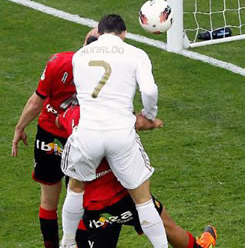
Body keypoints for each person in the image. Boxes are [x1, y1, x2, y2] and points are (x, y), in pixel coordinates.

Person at [60, 14, 168, 247]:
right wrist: (148, 116)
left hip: (88, 132)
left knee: (75, 189)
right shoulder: (137, 54)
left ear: (98, 32)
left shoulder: (79, 56)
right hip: (121, 133)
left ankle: (67, 242)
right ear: (124, 33)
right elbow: (149, 91)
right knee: (143, 200)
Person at [57, 105, 217, 248]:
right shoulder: (118, 114)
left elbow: (58, 121)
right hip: (125, 194)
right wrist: (150, 122)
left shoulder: (74, 114)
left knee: (78, 232)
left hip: (90, 202)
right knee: (164, 224)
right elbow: (136, 122)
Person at [11, 50, 77, 247]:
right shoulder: (110, 68)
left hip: (50, 134)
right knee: (80, 197)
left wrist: (20, 127)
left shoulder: (59, 61)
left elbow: (35, 102)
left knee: (49, 200)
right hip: (81, 137)